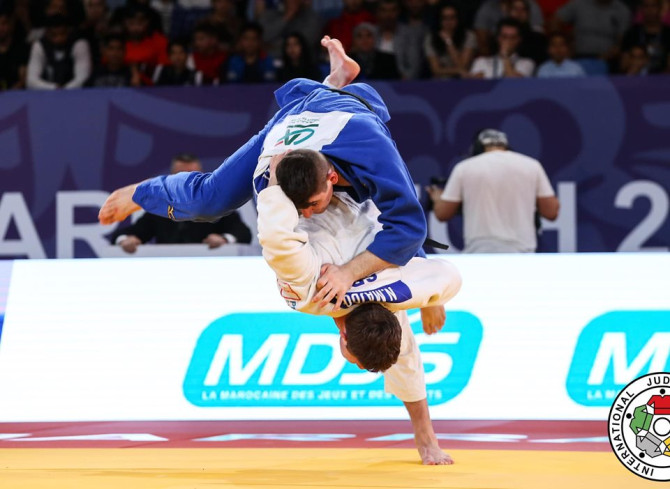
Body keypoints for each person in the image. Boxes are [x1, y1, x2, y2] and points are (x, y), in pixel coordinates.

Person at [99, 36, 427, 311]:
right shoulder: (268, 172)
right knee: (210, 201)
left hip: (351, 117)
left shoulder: (372, 147)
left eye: (313, 203)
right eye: (300, 206)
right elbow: (217, 200)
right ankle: (141, 191)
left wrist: (355, 274)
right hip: (292, 121)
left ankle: (336, 83)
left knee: (372, 213)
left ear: (332, 179)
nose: (307, 214)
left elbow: (408, 224)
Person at [257, 152, 462, 465]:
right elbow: (274, 237)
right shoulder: (307, 293)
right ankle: (426, 438)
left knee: (403, 238)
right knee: (207, 199)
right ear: (343, 336)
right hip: (295, 179)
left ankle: (426, 438)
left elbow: (443, 273)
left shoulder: (400, 290)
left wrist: (431, 298)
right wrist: (273, 182)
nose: (357, 366)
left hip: (336, 190)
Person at [427, 129, 560, 253]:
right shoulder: (531, 166)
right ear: (505, 146)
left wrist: (437, 198)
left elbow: (443, 213)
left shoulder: (465, 168)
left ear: (477, 147)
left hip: (480, 252)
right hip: (522, 253)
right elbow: (551, 212)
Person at [110, 154, 251, 253]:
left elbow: (243, 233)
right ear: (171, 177)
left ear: (202, 176)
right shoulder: (161, 207)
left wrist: (224, 239)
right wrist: (125, 240)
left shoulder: (217, 204)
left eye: (191, 174)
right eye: (180, 175)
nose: (185, 181)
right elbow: (132, 232)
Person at [26, 13, 92, 89]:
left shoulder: (79, 44)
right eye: (54, 35)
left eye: (62, 34)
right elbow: (31, 81)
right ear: (47, 33)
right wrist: (54, 88)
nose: (59, 39)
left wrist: (65, 90)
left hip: (75, 92)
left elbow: (83, 77)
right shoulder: (39, 46)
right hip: (48, 93)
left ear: (68, 31)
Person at [424, 3, 477, 79]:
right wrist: (457, 71)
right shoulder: (431, 38)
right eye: (444, 18)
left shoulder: (469, 36)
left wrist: (449, 42)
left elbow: (463, 67)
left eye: (452, 18)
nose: (448, 22)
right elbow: (435, 69)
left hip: (464, 80)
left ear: (458, 19)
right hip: (440, 82)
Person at [469, 18, 535, 78]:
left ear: (519, 40)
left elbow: (515, 84)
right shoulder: (481, 62)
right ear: (498, 38)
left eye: (513, 38)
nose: (508, 41)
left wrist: (505, 56)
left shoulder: (526, 63)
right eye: (504, 37)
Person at [621, 0, 670, 73]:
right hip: (636, 77)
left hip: (663, 77)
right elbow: (623, 65)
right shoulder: (632, 33)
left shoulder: (668, 34)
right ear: (641, 9)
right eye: (646, 6)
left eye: (653, 6)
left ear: (660, 8)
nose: (650, 10)